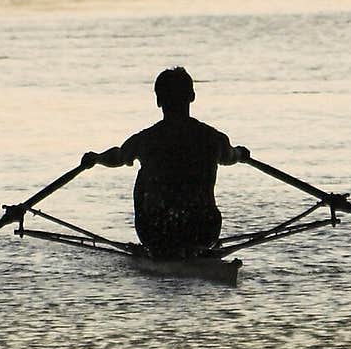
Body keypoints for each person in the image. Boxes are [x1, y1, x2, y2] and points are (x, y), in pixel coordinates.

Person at [81, 68, 249, 259]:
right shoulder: (213, 138)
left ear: (159, 101)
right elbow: (231, 156)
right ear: (192, 97)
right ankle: (195, 249)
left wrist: (96, 158)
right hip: (204, 231)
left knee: (142, 176)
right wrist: (241, 152)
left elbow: (118, 156)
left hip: (157, 233)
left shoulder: (146, 140)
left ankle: (160, 250)